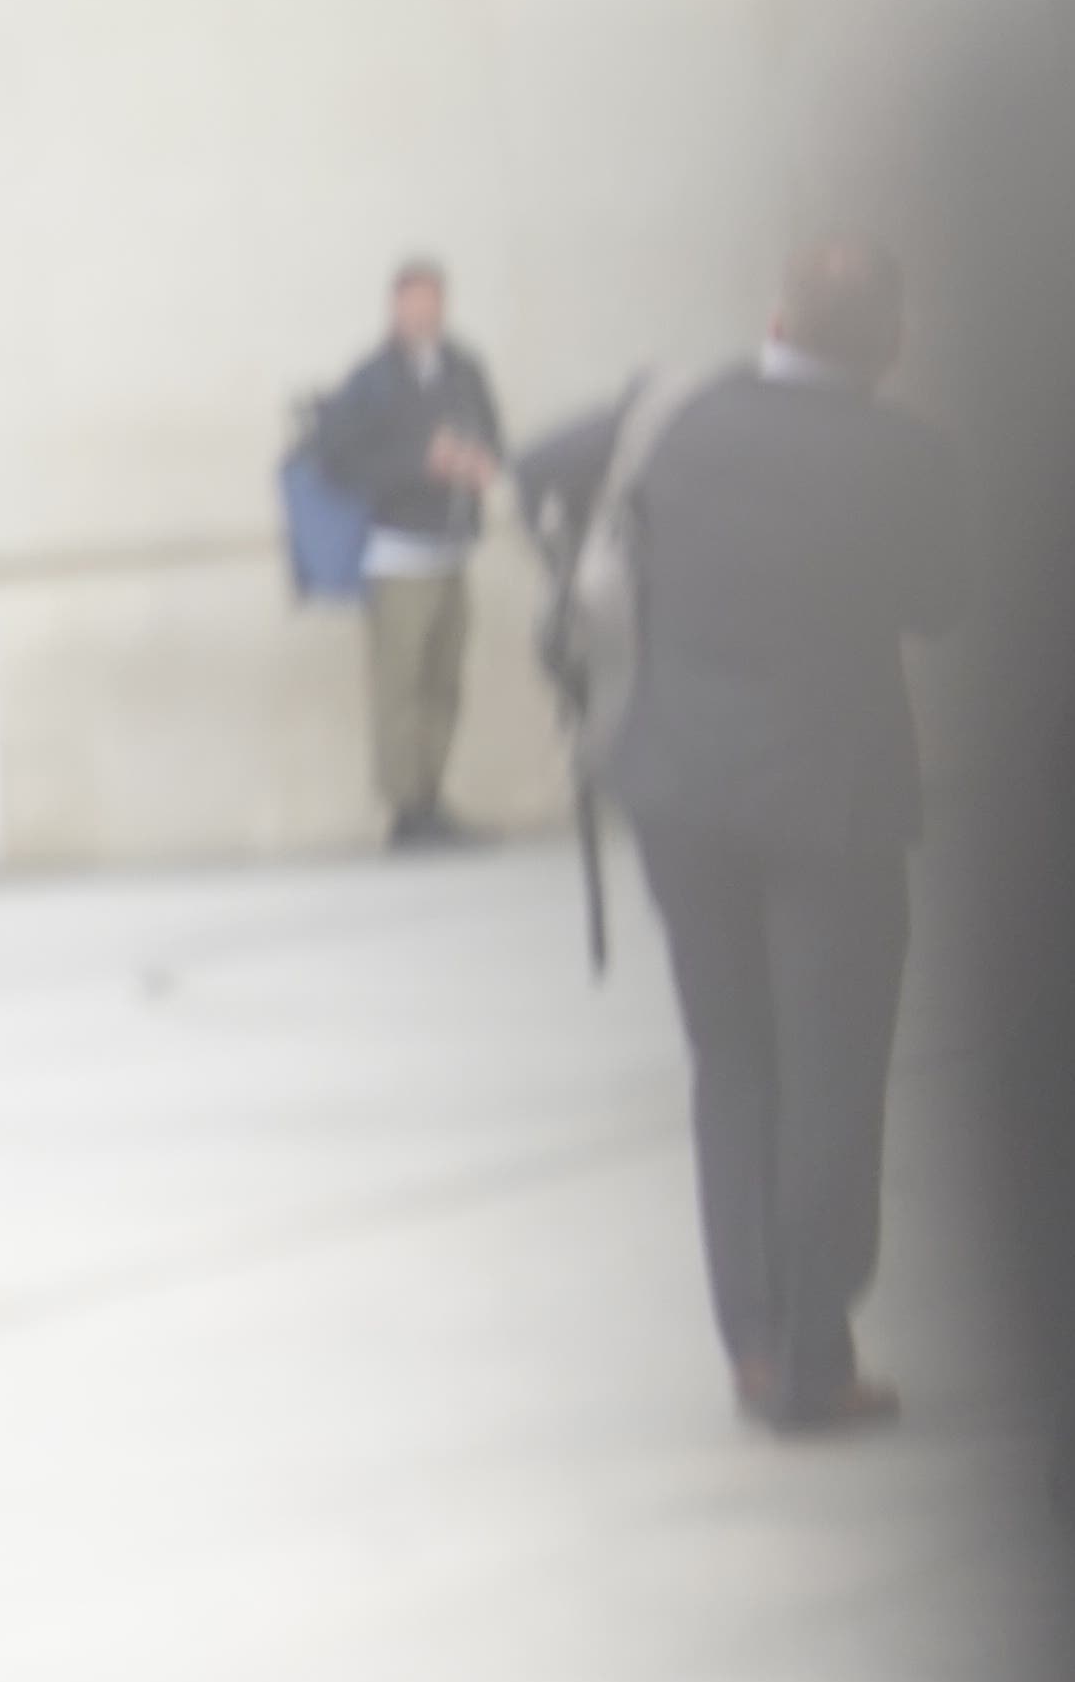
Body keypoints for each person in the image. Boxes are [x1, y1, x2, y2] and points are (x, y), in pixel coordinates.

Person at [525, 235, 966, 1436]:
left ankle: (755, 1347)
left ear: (775, 315)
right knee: (830, 1068)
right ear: (891, 342)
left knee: (733, 1058)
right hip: (833, 801)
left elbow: (536, 469)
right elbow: (942, 601)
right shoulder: (907, 458)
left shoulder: (672, 410)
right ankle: (817, 1352)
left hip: (678, 788)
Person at [312, 257, 505, 850]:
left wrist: (476, 462)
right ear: (395, 308)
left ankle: (433, 794)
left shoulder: (463, 369)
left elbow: (494, 435)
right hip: (397, 551)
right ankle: (406, 807)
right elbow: (336, 458)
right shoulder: (371, 379)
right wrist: (419, 466)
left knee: (444, 681)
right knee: (400, 685)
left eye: (433, 303)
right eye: (413, 303)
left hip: (451, 545)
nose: (424, 314)